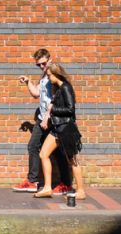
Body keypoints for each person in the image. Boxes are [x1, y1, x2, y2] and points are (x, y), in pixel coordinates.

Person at [13, 49, 73, 194]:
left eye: (43, 63)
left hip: (52, 119)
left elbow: (54, 100)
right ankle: (33, 182)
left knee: (56, 151)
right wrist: (28, 82)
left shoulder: (54, 76)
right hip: (43, 119)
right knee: (35, 146)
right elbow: (36, 93)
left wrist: (47, 117)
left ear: (50, 60)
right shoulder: (44, 76)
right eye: (38, 65)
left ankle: (65, 184)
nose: (41, 67)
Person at [34, 63, 86, 200]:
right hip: (58, 128)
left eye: (50, 75)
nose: (49, 78)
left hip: (66, 128)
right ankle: (47, 188)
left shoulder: (66, 87)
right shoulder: (58, 89)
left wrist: (52, 111)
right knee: (43, 154)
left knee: (72, 160)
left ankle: (81, 191)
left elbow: (70, 110)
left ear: (56, 74)